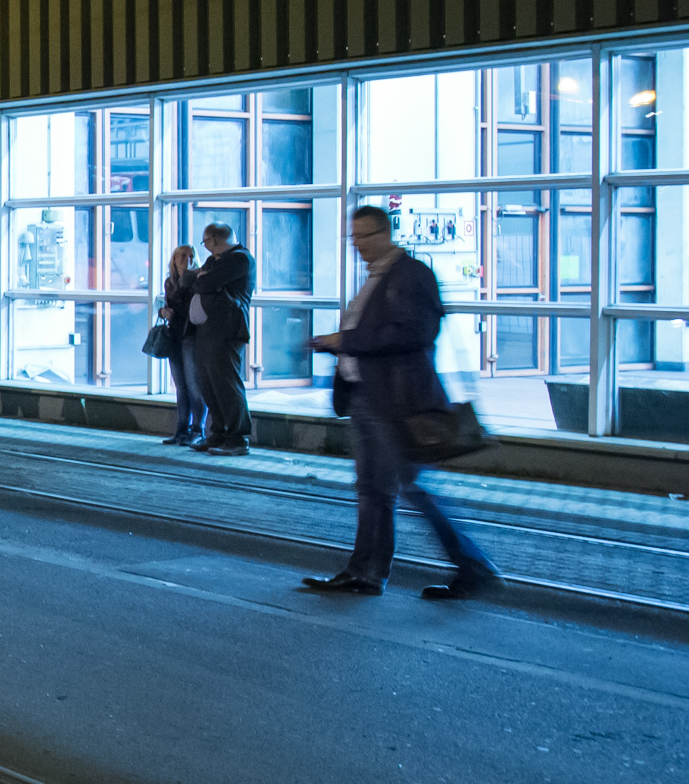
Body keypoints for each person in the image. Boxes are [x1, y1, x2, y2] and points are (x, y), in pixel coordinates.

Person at [301, 207, 503, 600]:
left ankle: (474, 566)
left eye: (362, 236)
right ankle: (365, 572)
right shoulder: (377, 278)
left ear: (384, 233)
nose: (356, 245)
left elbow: (415, 332)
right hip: (368, 397)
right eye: (353, 237)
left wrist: (347, 341)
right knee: (375, 489)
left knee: (407, 485)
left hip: (395, 402)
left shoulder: (411, 275)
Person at [184, 221, 257, 455]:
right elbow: (191, 280)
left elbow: (205, 282)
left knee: (226, 383)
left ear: (214, 240)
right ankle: (218, 434)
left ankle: (237, 438)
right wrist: (202, 279)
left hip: (226, 329)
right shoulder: (214, 261)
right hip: (207, 329)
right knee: (208, 383)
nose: (204, 247)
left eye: (205, 242)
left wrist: (203, 279)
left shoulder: (239, 259)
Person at [157, 245, 205, 446]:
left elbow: (191, 309)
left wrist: (188, 280)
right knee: (181, 386)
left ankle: (198, 428)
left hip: (190, 337)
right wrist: (163, 313)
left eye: (191, 256)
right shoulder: (171, 283)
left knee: (194, 386)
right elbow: (170, 305)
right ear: (174, 261)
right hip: (175, 336)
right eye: (182, 256)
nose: (187, 260)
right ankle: (181, 428)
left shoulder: (197, 281)